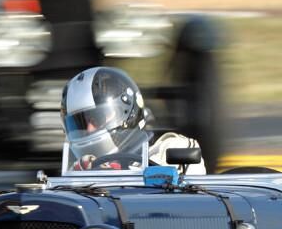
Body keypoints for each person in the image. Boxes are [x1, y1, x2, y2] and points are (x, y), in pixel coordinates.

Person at [60, 66, 206, 174]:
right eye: (80, 124)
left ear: (126, 112)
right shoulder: (77, 175)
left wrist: (121, 171)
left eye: (97, 119)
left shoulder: (170, 149)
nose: (89, 129)